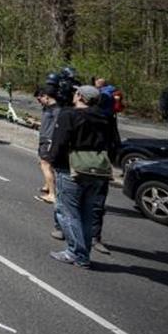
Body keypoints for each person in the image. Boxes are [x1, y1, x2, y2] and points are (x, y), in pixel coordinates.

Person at [47, 85, 121, 268]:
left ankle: (76, 254)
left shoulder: (68, 115)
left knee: (68, 212)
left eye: (76, 92)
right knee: (88, 214)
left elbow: (60, 142)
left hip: (72, 168)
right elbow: (115, 144)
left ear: (80, 96)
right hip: (98, 171)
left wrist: (53, 162)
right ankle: (83, 252)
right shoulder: (107, 117)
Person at [35, 86, 61, 204]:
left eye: (39, 99)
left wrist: (51, 140)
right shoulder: (48, 109)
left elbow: (57, 127)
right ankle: (47, 187)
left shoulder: (56, 110)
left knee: (46, 165)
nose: (39, 102)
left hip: (48, 141)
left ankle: (52, 194)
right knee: (43, 164)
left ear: (46, 96)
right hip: (44, 139)